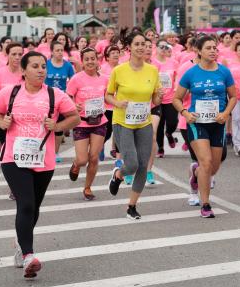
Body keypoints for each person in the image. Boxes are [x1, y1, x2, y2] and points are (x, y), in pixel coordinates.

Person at [0, 51, 80, 278]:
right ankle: (29, 255)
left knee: (34, 207)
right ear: (23, 71)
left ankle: (21, 246)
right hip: (13, 157)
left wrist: (57, 126)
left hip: (43, 159)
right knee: (26, 203)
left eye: (43, 67)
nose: (41, 70)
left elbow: (75, 117)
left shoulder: (55, 95)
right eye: (35, 66)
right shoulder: (10, 93)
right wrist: (2, 122)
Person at [173, 35, 237, 218]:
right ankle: (206, 204)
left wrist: (226, 114)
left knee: (212, 168)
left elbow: (233, 96)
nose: (212, 51)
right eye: (208, 48)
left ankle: (196, 172)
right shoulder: (191, 73)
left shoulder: (224, 72)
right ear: (198, 51)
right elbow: (176, 98)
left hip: (217, 123)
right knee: (206, 162)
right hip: (197, 123)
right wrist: (185, 113)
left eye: (214, 48)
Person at [105, 31, 162, 220]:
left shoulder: (152, 71)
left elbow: (154, 98)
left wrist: (158, 96)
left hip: (143, 121)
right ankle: (118, 174)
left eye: (144, 44)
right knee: (131, 164)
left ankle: (132, 206)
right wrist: (117, 103)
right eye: (137, 44)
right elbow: (108, 95)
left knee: (143, 165)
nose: (141, 47)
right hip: (123, 122)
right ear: (129, 47)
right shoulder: (118, 71)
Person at [66, 47, 109, 200]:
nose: (90, 62)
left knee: (93, 158)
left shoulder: (104, 79)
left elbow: (108, 97)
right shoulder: (76, 79)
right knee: (83, 159)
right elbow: (68, 96)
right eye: (87, 59)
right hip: (81, 123)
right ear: (82, 62)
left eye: (93, 58)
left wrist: (118, 102)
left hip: (99, 122)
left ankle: (88, 187)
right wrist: (73, 105)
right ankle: (76, 165)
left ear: (98, 61)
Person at [45, 39, 75, 162]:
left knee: (58, 128)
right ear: (52, 52)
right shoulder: (46, 64)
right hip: (47, 98)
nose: (60, 52)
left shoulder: (67, 65)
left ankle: (55, 153)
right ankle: (45, 150)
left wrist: (71, 97)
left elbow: (73, 82)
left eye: (62, 50)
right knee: (47, 126)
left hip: (62, 99)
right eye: (57, 50)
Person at [152, 39, 179, 158]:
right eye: (161, 47)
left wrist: (177, 89)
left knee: (173, 121)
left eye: (166, 47)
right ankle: (161, 148)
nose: (163, 49)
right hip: (157, 98)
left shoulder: (173, 62)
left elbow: (177, 77)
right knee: (159, 124)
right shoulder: (152, 62)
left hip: (170, 98)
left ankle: (169, 133)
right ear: (156, 48)